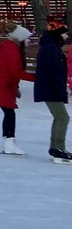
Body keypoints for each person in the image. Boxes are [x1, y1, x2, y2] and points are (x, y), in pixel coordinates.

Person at [0, 25, 35, 156]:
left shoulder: (11, 48)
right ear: (20, 38)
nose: (29, 41)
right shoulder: (12, 50)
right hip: (2, 86)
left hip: (3, 85)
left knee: (9, 113)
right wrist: (37, 78)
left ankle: (9, 142)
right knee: (10, 113)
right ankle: (9, 143)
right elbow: (16, 71)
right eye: (27, 38)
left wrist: (15, 88)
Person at [34, 24, 72, 162]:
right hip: (51, 89)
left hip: (50, 88)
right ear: (58, 34)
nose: (66, 36)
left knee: (59, 117)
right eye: (64, 33)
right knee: (63, 118)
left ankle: (55, 147)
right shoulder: (51, 49)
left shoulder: (51, 47)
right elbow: (53, 71)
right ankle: (58, 148)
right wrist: (59, 88)